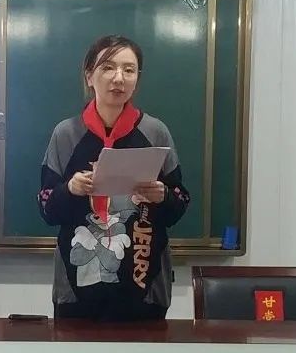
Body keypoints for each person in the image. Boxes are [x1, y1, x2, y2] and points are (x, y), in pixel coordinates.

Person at [37, 34, 190, 321]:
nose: (119, 78)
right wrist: (69, 189)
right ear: (89, 76)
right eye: (108, 67)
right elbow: (46, 208)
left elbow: (180, 202)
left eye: (129, 70)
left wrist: (163, 196)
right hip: (76, 289)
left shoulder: (155, 132)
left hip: (145, 286)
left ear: (137, 79)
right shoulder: (66, 134)